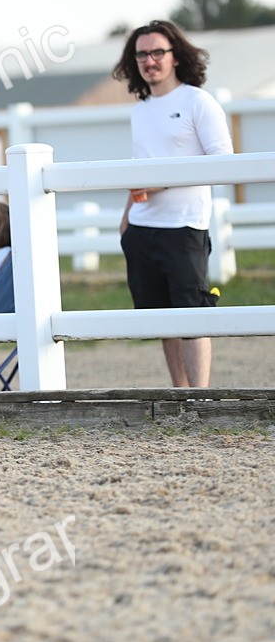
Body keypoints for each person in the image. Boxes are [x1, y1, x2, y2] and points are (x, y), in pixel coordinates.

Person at [111, 20, 233, 388]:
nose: (150, 60)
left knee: (192, 315)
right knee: (162, 319)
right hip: (143, 229)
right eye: (142, 54)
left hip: (185, 227)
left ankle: (200, 398)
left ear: (175, 55)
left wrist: (158, 183)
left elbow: (223, 161)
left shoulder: (198, 101)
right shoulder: (141, 109)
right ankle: (179, 396)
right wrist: (127, 219)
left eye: (157, 52)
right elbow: (139, 169)